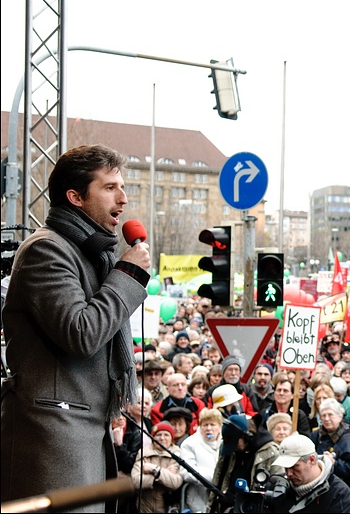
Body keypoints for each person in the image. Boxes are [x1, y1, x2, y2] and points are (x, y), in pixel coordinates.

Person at [1, 144, 151, 511]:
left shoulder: (90, 254)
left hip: (80, 434)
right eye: (111, 187)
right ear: (76, 197)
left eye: (123, 187)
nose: (123, 199)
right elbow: (81, 333)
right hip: (51, 438)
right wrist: (127, 274)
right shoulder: (46, 250)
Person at [271, 433, 350, 513]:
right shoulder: (278, 486)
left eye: (294, 467)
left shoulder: (339, 494)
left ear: (312, 460)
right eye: (285, 467)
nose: (289, 473)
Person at [310, 398, 350, 513]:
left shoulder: (348, 439)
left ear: (340, 417)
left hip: (345, 490)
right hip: (319, 490)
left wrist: (334, 463)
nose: (326, 418)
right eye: (323, 415)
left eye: (330, 415)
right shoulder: (316, 435)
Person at [131, 422, 184, 513]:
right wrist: (161, 476)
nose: (162, 438)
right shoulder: (143, 453)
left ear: (171, 438)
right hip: (144, 509)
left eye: (166, 435)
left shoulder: (178, 454)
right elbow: (135, 481)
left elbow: (175, 482)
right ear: (153, 438)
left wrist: (155, 470)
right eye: (158, 434)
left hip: (167, 509)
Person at [179, 407, 223, 513]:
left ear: (220, 427)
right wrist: (215, 477)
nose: (209, 428)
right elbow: (186, 472)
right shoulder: (189, 444)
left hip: (221, 498)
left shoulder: (225, 443)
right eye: (205, 425)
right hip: (198, 498)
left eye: (212, 424)